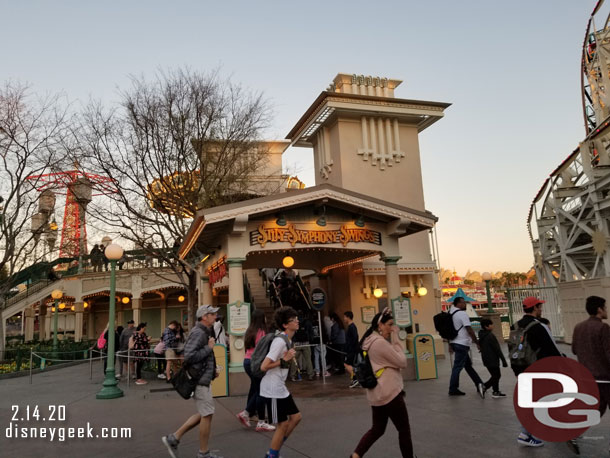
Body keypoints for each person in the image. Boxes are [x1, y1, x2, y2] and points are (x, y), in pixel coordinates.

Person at [351, 308, 412, 458]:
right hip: (390, 393)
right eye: (389, 325)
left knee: (377, 429)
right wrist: (397, 338)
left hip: (376, 394)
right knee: (404, 430)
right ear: (380, 325)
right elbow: (402, 362)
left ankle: (356, 455)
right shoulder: (379, 343)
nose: (391, 329)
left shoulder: (368, 341)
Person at [162, 305, 222, 458]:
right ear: (204, 317)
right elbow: (189, 356)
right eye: (212, 314)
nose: (215, 316)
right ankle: (203, 452)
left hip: (203, 378)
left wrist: (212, 370)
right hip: (199, 380)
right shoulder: (199, 332)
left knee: (205, 413)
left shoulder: (203, 331)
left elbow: (202, 357)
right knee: (207, 414)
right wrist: (209, 348)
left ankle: (174, 438)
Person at [512, 296, 562, 447]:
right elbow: (550, 349)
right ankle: (526, 434)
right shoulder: (538, 326)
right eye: (539, 307)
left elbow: (513, 349)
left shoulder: (515, 325)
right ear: (534, 308)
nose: (541, 309)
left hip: (522, 369)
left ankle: (529, 432)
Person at [260, 307, 302, 458]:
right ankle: (272, 454)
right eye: (293, 319)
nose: (297, 321)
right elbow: (264, 366)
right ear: (285, 325)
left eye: (297, 318)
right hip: (272, 388)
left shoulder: (287, 340)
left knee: (296, 417)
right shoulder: (279, 341)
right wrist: (284, 360)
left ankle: (275, 448)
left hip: (280, 387)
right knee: (282, 424)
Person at [572, 296, 610, 453]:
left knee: (597, 409)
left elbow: (574, 350)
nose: (606, 310)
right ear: (599, 309)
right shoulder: (603, 328)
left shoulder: (578, 327)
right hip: (605, 378)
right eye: (605, 307)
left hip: (587, 376)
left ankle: (572, 432)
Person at [236, 309, 275, 432]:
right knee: (261, 391)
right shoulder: (262, 332)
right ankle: (253, 417)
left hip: (247, 361)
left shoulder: (250, 331)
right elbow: (262, 350)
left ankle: (248, 413)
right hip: (256, 363)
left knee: (255, 388)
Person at [448, 297, 485, 397]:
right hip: (462, 343)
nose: (465, 304)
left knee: (467, 366)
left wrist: (450, 344)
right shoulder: (462, 314)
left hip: (455, 342)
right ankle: (453, 388)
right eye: (463, 303)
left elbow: (448, 330)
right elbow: (469, 329)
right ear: (458, 303)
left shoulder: (450, 313)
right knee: (457, 367)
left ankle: (479, 383)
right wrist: (477, 342)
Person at [478, 318, 507, 398]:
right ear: (486, 326)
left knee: (494, 375)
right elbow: (497, 349)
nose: (493, 326)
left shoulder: (481, 335)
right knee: (497, 375)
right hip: (493, 358)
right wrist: (503, 360)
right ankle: (484, 386)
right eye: (491, 324)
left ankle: (496, 391)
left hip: (486, 358)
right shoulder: (490, 336)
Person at [290, 311, 315, 381]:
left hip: (296, 344)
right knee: (308, 360)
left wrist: (293, 340)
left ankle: (293, 375)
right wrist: (310, 339)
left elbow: (292, 332)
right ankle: (311, 375)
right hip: (306, 343)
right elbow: (311, 333)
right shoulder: (308, 322)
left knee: (294, 361)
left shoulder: (295, 322)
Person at [343, 311, 360, 387]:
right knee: (350, 364)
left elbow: (355, 337)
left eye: (345, 317)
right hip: (351, 349)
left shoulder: (352, 327)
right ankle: (355, 379)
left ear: (348, 317)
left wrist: (351, 347)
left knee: (346, 364)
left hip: (352, 350)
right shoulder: (350, 327)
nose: (344, 319)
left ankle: (355, 378)